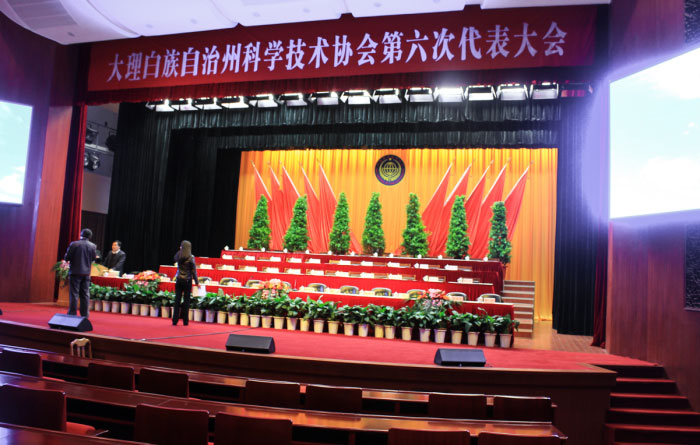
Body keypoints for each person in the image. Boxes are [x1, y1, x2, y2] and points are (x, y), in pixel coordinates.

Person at [64, 228, 97, 318]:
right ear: (90, 236)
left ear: (81, 234)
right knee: (85, 294)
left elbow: (67, 257)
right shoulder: (93, 246)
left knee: (74, 294)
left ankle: (72, 314)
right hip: (86, 273)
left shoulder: (74, 244)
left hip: (75, 272)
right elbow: (93, 259)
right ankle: (85, 315)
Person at [172, 240, 199, 326]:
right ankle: (185, 321)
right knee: (186, 301)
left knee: (177, 300)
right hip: (187, 281)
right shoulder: (191, 257)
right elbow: (193, 271)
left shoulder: (179, 255)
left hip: (179, 280)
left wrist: (180, 250)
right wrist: (197, 282)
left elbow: (174, 258)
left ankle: (175, 320)